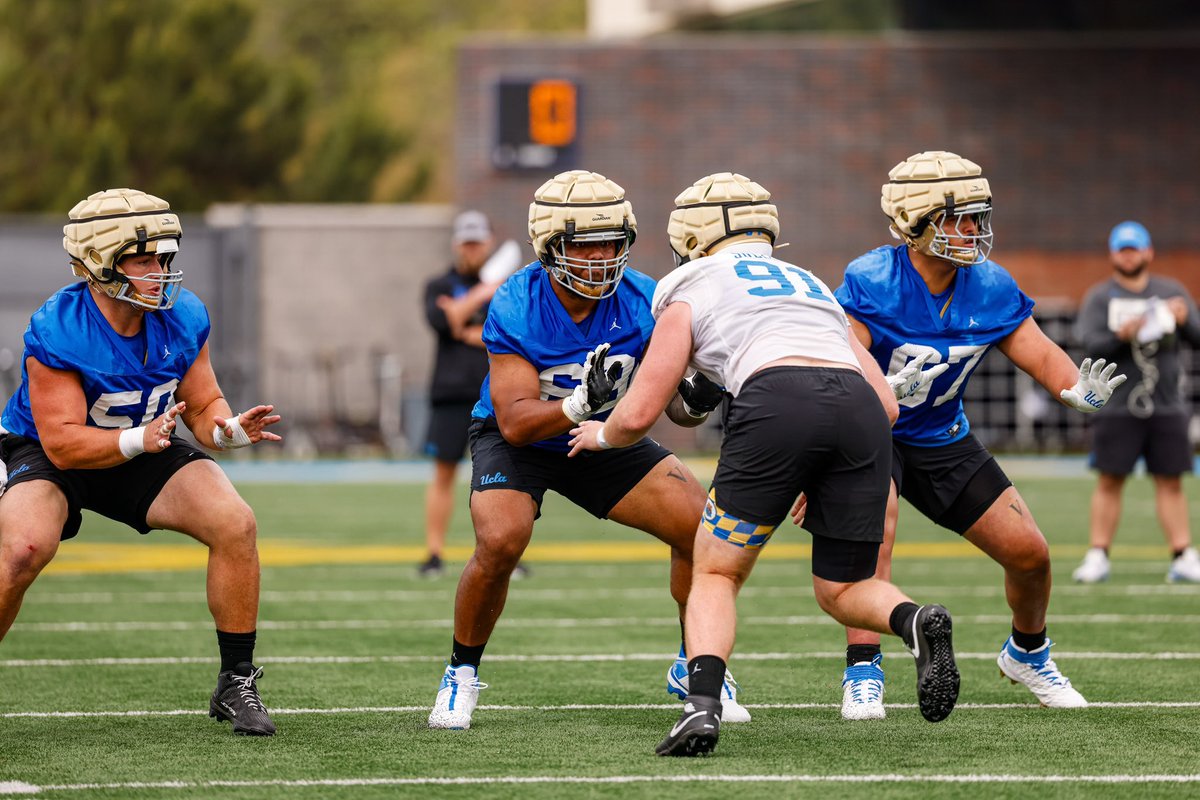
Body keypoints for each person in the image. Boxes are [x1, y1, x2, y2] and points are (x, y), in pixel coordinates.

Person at [569, 172, 962, 758]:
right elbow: (885, 402)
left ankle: (701, 708)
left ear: (693, 235)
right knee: (845, 586)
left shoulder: (692, 282)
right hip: (859, 412)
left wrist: (601, 433)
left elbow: (643, 410)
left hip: (777, 400)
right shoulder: (811, 285)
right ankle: (914, 619)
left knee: (717, 571)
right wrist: (821, 470)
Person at [427, 169, 749, 731]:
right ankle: (461, 673)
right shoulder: (517, 302)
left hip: (605, 435)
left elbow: (675, 409)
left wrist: (698, 398)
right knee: (501, 541)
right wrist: (579, 404)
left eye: (611, 243)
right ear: (550, 246)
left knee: (701, 530)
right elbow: (516, 422)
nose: (600, 257)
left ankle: (694, 664)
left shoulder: (649, 299)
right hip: (519, 439)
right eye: (584, 244)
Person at [832, 151, 1127, 722]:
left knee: (1030, 553)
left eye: (977, 217)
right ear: (915, 223)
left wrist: (1075, 390)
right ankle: (863, 670)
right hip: (875, 434)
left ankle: (1028, 653)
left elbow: (1038, 350)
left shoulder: (989, 284)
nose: (973, 231)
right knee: (877, 538)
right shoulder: (872, 279)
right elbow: (839, 366)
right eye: (958, 218)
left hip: (944, 437)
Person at [0, 188, 282, 735]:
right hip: (55, 451)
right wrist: (137, 440)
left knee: (235, 523)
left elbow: (201, 403)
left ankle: (236, 682)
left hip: (145, 441)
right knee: (22, 550)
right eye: (145, 258)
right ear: (100, 264)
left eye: (164, 258)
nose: (160, 271)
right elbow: (62, 443)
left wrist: (226, 432)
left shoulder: (184, 314)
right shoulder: (59, 328)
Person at [1072, 221, 1200, 584]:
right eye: (1123, 249)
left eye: (1135, 248)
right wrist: (1122, 334)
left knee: (1171, 481)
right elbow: (1090, 345)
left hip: (1167, 403)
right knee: (1110, 479)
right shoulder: (1101, 297)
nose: (1129, 255)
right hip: (1116, 405)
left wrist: (1184, 318)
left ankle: (1182, 553)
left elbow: (1197, 337)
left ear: (1148, 252)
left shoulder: (1171, 290)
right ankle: (1098, 554)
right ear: (1113, 254)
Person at [418, 210, 527, 579]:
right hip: (451, 393)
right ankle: (434, 554)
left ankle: (507, 551)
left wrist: (469, 327)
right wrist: (482, 294)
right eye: (466, 242)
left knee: (507, 476)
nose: (471, 249)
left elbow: (514, 330)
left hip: (499, 391)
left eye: (477, 242)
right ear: (455, 244)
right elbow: (445, 322)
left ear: (489, 243)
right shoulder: (440, 285)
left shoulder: (511, 286)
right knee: (444, 474)